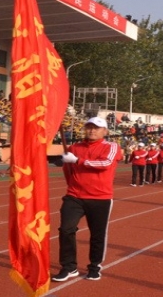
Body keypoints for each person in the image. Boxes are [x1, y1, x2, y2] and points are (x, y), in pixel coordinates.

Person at [52, 117, 122, 282]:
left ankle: (95, 266)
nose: (92, 130)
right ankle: (69, 267)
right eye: (89, 127)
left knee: (97, 234)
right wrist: (72, 186)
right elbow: (68, 170)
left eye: (96, 128)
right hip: (75, 196)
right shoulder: (75, 147)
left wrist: (78, 160)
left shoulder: (112, 146)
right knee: (66, 229)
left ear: (105, 131)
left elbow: (105, 163)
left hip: (100, 197)